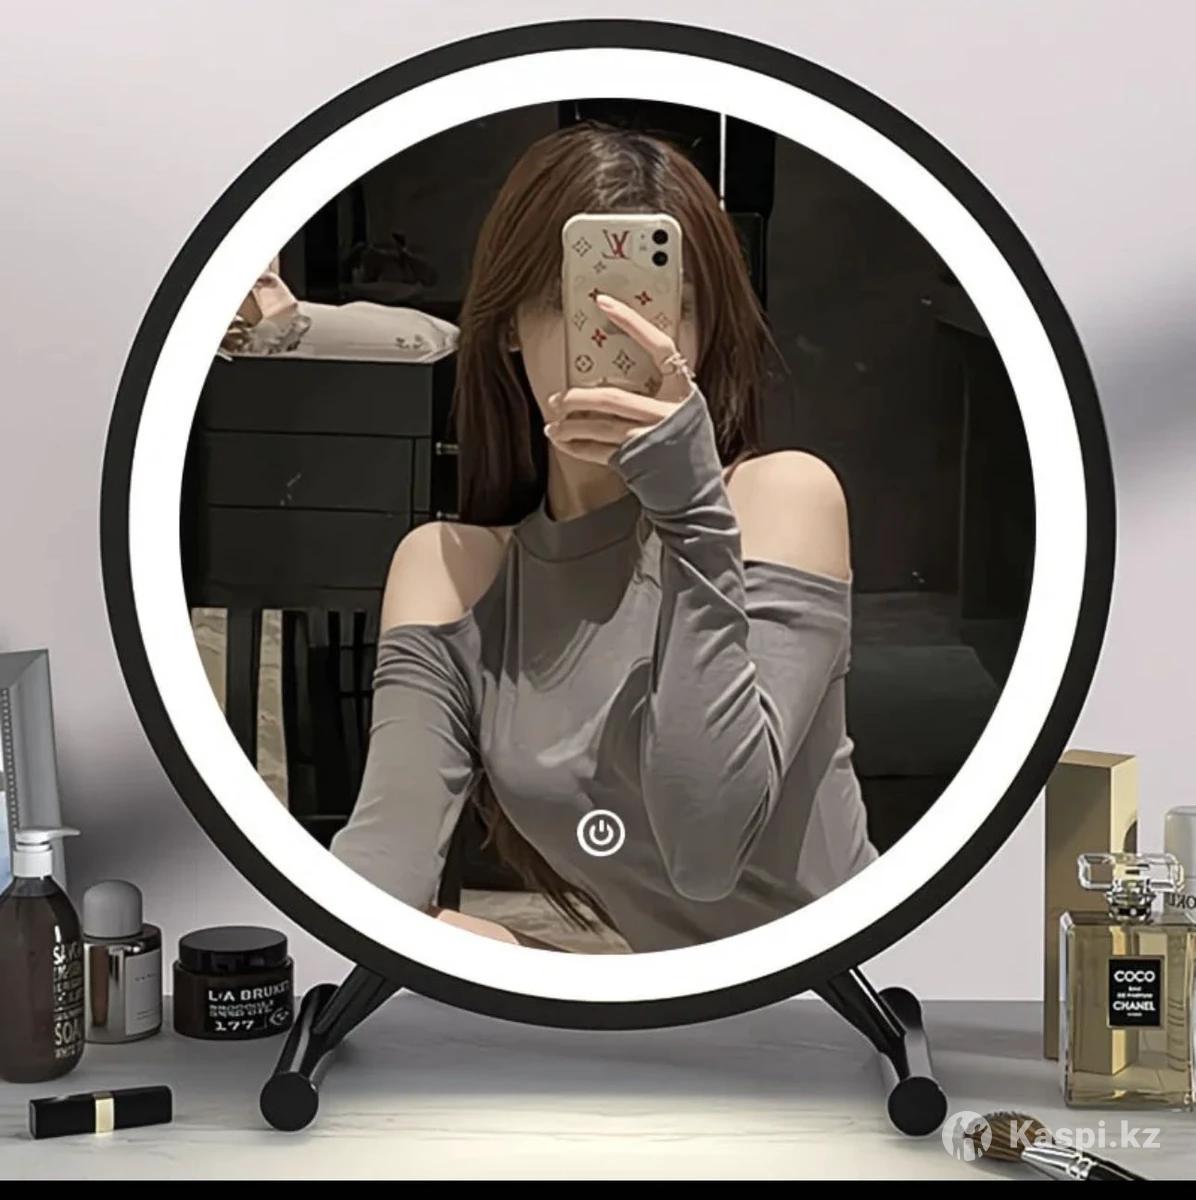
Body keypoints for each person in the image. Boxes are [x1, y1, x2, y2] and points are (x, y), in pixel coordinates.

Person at [330, 120, 877, 951]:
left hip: (843, 998)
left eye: (663, 306)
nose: (619, 339)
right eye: (576, 301)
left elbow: (706, 852)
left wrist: (692, 515)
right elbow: (379, 883)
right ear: (509, 324)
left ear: (702, 330)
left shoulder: (778, 500)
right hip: (652, 1014)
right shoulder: (455, 571)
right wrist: (563, 977)